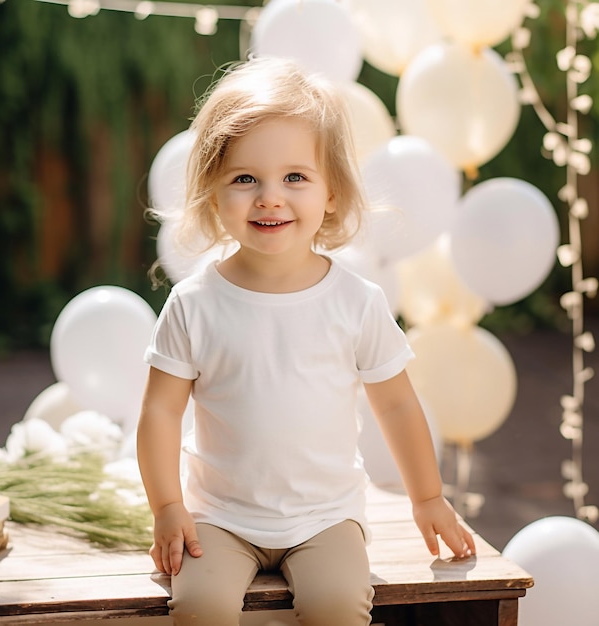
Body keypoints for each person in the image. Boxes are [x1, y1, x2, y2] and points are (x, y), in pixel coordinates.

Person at [137, 56, 475, 626]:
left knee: (337, 608)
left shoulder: (354, 302)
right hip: (219, 516)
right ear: (213, 193)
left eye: (295, 177)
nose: (270, 197)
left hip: (325, 517)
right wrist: (168, 508)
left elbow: (395, 403)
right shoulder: (195, 304)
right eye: (245, 178)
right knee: (198, 608)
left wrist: (427, 497)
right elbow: (160, 412)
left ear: (333, 193)